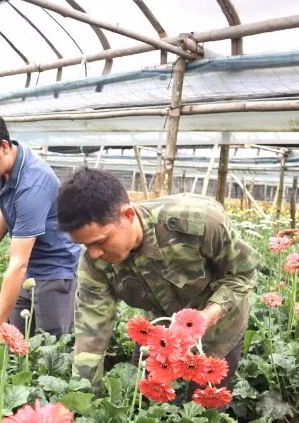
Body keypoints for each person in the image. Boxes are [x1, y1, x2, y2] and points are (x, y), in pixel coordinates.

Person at [56, 167, 260, 393]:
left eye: (101, 241)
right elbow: (91, 335)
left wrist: (208, 316)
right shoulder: (95, 264)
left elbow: (244, 272)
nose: (94, 253)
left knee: (205, 404)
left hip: (219, 330)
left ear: (128, 215)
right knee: (143, 401)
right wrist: (83, 400)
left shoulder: (200, 222)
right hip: (159, 333)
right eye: (86, 245)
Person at [0, 106, 81, 337]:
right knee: (14, 343)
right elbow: (9, 207)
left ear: (3, 147)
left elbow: (17, 264)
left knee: (50, 350)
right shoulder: (3, 169)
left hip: (54, 273)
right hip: (28, 268)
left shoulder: (33, 183)